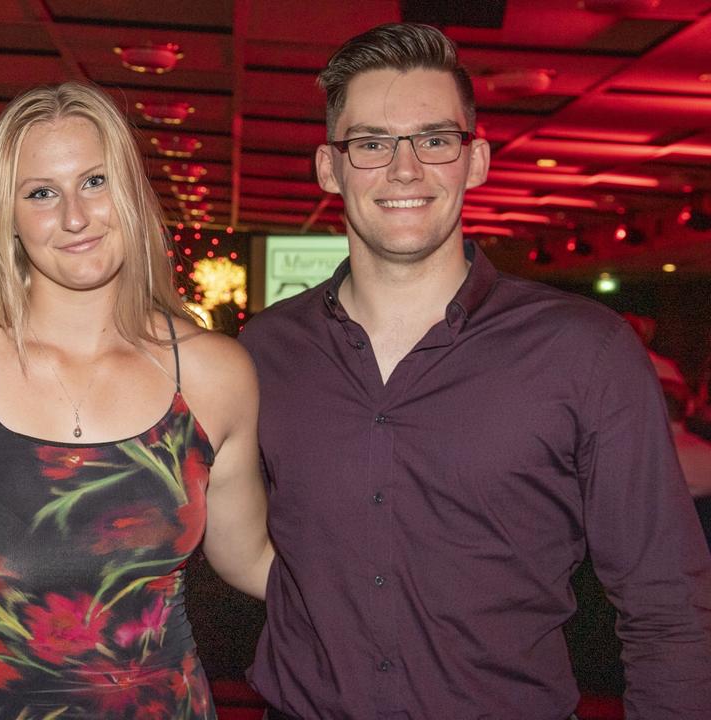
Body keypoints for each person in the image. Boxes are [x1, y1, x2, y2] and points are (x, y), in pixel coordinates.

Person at [239, 22, 711, 720]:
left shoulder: (585, 350)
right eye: (371, 144)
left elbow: (666, 601)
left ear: (477, 159)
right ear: (328, 168)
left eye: (434, 140)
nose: (405, 170)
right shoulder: (263, 350)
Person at [0, 81, 271, 718]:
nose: (74, 216)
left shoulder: (213, 373)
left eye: (96, 181)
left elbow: (254, 564)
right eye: (42, 193)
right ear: (7, 216)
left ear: (131, 193)